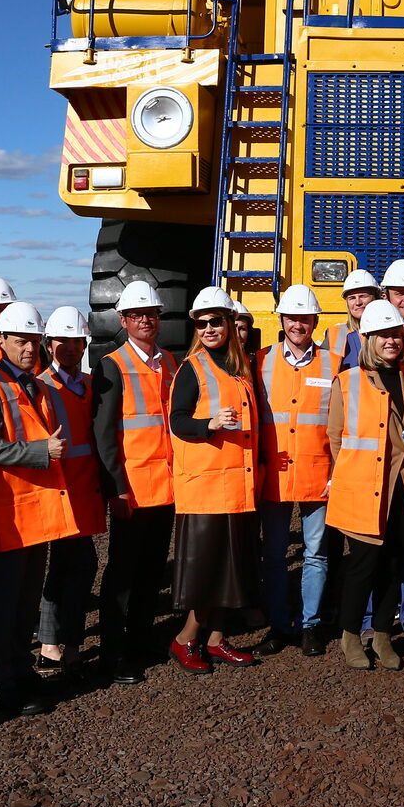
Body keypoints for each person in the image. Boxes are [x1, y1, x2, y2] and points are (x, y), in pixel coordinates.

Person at [0, 302, 100, 716]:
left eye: (32, 340)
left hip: (35, 513)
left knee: (24, 604)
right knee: (5, 605)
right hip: (9, 514)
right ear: (1, 340)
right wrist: (41, 450)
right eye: (19, 340)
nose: (28, 348)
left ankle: (21, 676)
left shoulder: (32, 386)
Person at [327, 301, 404, 670]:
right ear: (367, 338)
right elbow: (336, 438)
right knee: (362, 565)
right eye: (383, 335)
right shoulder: (348, 381)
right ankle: (351, 635)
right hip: (363, 489)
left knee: (393, 563)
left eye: (396, 334)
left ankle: (384, 635)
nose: (391, 341)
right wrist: (345, 479)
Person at [167, 287, 262, 673]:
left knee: (231, 570)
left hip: (238, 487)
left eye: (215, 321)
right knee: (205, 573)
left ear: (229, 322)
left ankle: (217, 639)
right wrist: (210, 424)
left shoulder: (240, 368)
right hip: (205, 488)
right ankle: (184, 639)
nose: (208, 328)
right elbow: (176, 420)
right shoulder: (193, 367)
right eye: (202, 323)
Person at [93, 280, 179, 684]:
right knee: (122, 576)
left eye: (152, 314)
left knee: (151, 572)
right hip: (133, 490)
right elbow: (105, 435)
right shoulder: (112, 365)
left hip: (167, 488)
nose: (147, 320)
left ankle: (142, 641)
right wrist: (116, 489)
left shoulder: (170, 363)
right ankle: (114, 654)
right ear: (124, 321)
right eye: (138, 314)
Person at [251, 284, 340, 658]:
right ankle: (277, 623)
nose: (298, 325)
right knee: (272, 555)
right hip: (274, 474)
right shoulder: (260, 360)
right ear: (282, 320)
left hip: (319, 473)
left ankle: (311, 626)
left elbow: (341, 423)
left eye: (304, 318)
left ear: (315, 321)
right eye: (292, 318)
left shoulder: (335, 363)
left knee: (316, 553)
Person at [35, 307, 106, 676]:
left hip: (86, 490)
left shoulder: (90, 385)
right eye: (62, 341)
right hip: (61, 492)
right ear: (49, 345)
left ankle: (69, 644)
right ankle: (50, 645)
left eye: (77, 341)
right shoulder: (41, 387)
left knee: (78, 567)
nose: (70, 348)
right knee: (67, 567)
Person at [323, 269, 381, 356]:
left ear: (376, 298)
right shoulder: (334, 334)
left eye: (363, 296)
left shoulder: (390, 333)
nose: (358, 303)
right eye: (352, 298)